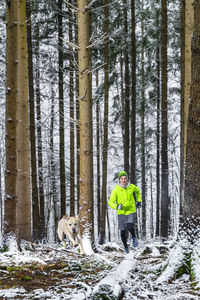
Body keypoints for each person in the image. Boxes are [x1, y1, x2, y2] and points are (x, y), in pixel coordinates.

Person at [108, 171, 142, 253]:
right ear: (119, 180)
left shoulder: (132, 187)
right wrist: (116, 206)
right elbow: (110, 202)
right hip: (121, 212)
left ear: (127, 179)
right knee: (122, 230)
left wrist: (139, 201)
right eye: (122, 179)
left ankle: (134, 237)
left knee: (130, 226)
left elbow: (138, 192)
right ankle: (125, 246)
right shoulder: (116, 189)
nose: (123, 180)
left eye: (125, 178)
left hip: (131, 210)